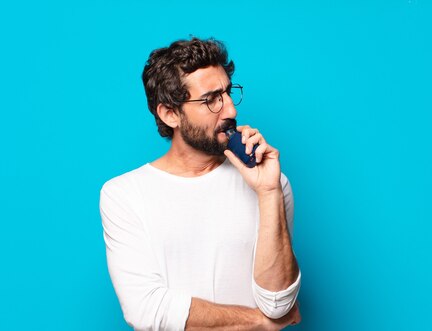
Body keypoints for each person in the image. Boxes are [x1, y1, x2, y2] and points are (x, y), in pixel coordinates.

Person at [99, 37, 301, 331]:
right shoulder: (124, 195)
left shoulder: (271, 184)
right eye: (211, 99)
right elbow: (147, 311)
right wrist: (260, 322)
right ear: (170, 114)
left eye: (229, 93)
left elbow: (279, 303)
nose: (230, 110)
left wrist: (268, 192)